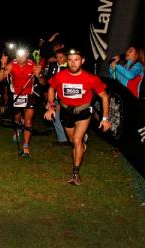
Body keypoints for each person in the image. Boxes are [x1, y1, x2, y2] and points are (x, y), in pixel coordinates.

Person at [44, 49, 111, 186]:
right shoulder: (60, 76)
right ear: (67, 61)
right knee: (72, 141)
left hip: (83, 112)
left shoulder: (91, 78)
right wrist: (51, 106)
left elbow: (104, 96)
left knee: (76, 139)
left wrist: (105, 118)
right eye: (70, 60)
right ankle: (81, 145)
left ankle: (75, 174)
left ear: (83, 61)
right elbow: (51, 88)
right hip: (66, 112)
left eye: (76, 60)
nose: (73, 63)